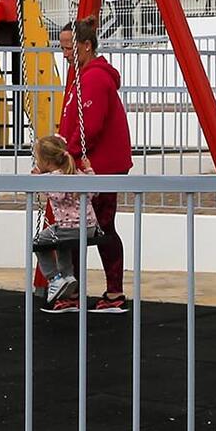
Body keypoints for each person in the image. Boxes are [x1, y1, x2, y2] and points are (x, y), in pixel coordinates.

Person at [56, 18, 131, 314]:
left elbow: (91, 125)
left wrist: (66, 155)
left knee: (92, 227)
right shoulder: (84, 75)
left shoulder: (94, 78)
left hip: (98, 166)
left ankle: (105, 293)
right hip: (92, 164)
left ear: (86, 46)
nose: (64, 54)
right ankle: (102, 292)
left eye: (68, 48)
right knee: (87, 227)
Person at [27, 135, 94, 314]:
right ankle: (68, 276)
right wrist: (89, 170)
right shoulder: (76, 172)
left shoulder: (55, 177)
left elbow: (58, 195)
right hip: (90, 228)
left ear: (47, 162)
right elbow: (94, 191)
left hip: (70, 227)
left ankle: (54, 278)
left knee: (38, 243)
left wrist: (39, 181)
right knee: (62, 245)